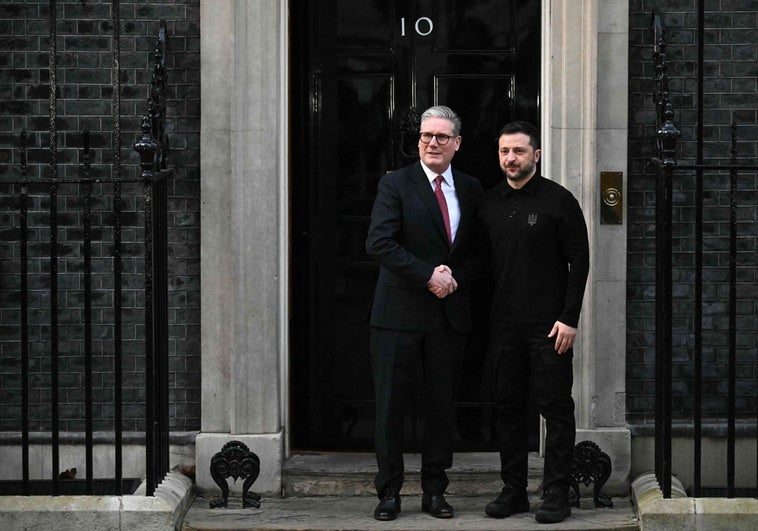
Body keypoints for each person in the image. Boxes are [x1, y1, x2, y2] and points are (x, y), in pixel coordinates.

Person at [365, 105, 483, 521]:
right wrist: (428, 275)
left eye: (441, 137)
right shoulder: (395, 184)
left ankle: (435, 491)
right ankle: (389, 492)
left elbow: (478, 250)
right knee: (391, 409)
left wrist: (453, 278)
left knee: (440, 408)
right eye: (426, 136)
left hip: (448, 318)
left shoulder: (470, 188)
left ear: (457, 143)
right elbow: (379, 243)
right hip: (398, 315)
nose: (432, 143)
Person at [478, 121, 589, 524]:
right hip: (503, 326)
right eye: (505, 151)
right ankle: (514, 492)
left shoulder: (560, 201)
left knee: (556, 409)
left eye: (519, 151)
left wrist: (569, 318)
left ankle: (557, 493)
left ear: (536, 155)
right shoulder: (488, 203)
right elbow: (481, 264)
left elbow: (580, 260)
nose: (511, 158)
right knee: (506, 408)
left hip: (550, 328)